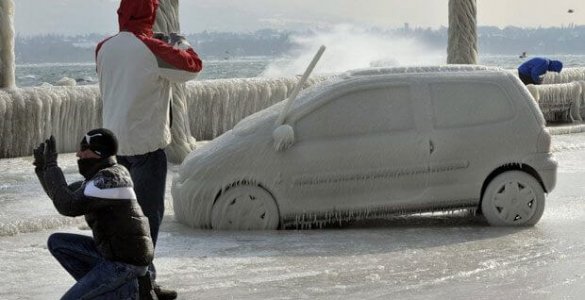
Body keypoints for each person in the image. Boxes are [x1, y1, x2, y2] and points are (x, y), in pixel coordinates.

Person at [96, 0, 202, 298]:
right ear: (151, 14)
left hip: (113, 149)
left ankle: (124, 281)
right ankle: (142, 284)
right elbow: (193, 66)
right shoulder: (153, 48)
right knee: (147, 219)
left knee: (119, 220)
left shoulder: (104, 47)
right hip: (146, 148)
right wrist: (179, 41)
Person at [33, 129, 157, 299]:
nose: (78, 154)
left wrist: (51, 165)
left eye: (84, 149)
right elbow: (61, 195)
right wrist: (42, 168)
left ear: (99, 153)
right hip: (114, 256)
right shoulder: (102, 177)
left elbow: (67, 206)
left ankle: (130, 289)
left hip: (126, 264)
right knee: (57, 242)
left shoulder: (110, 179)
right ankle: (113, 290)